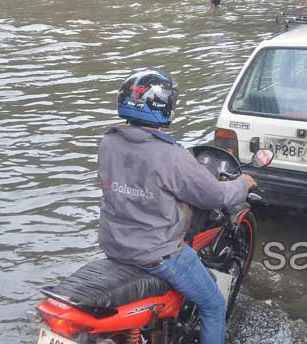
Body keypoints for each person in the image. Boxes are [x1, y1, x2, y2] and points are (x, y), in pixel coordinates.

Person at [99, 69, 256, 344]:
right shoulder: (171, 155)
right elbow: (216, 197)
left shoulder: (108, 141)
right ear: (165, 107)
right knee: (213, 305)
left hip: (114, 245)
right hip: (157, 255)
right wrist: (243, 183)